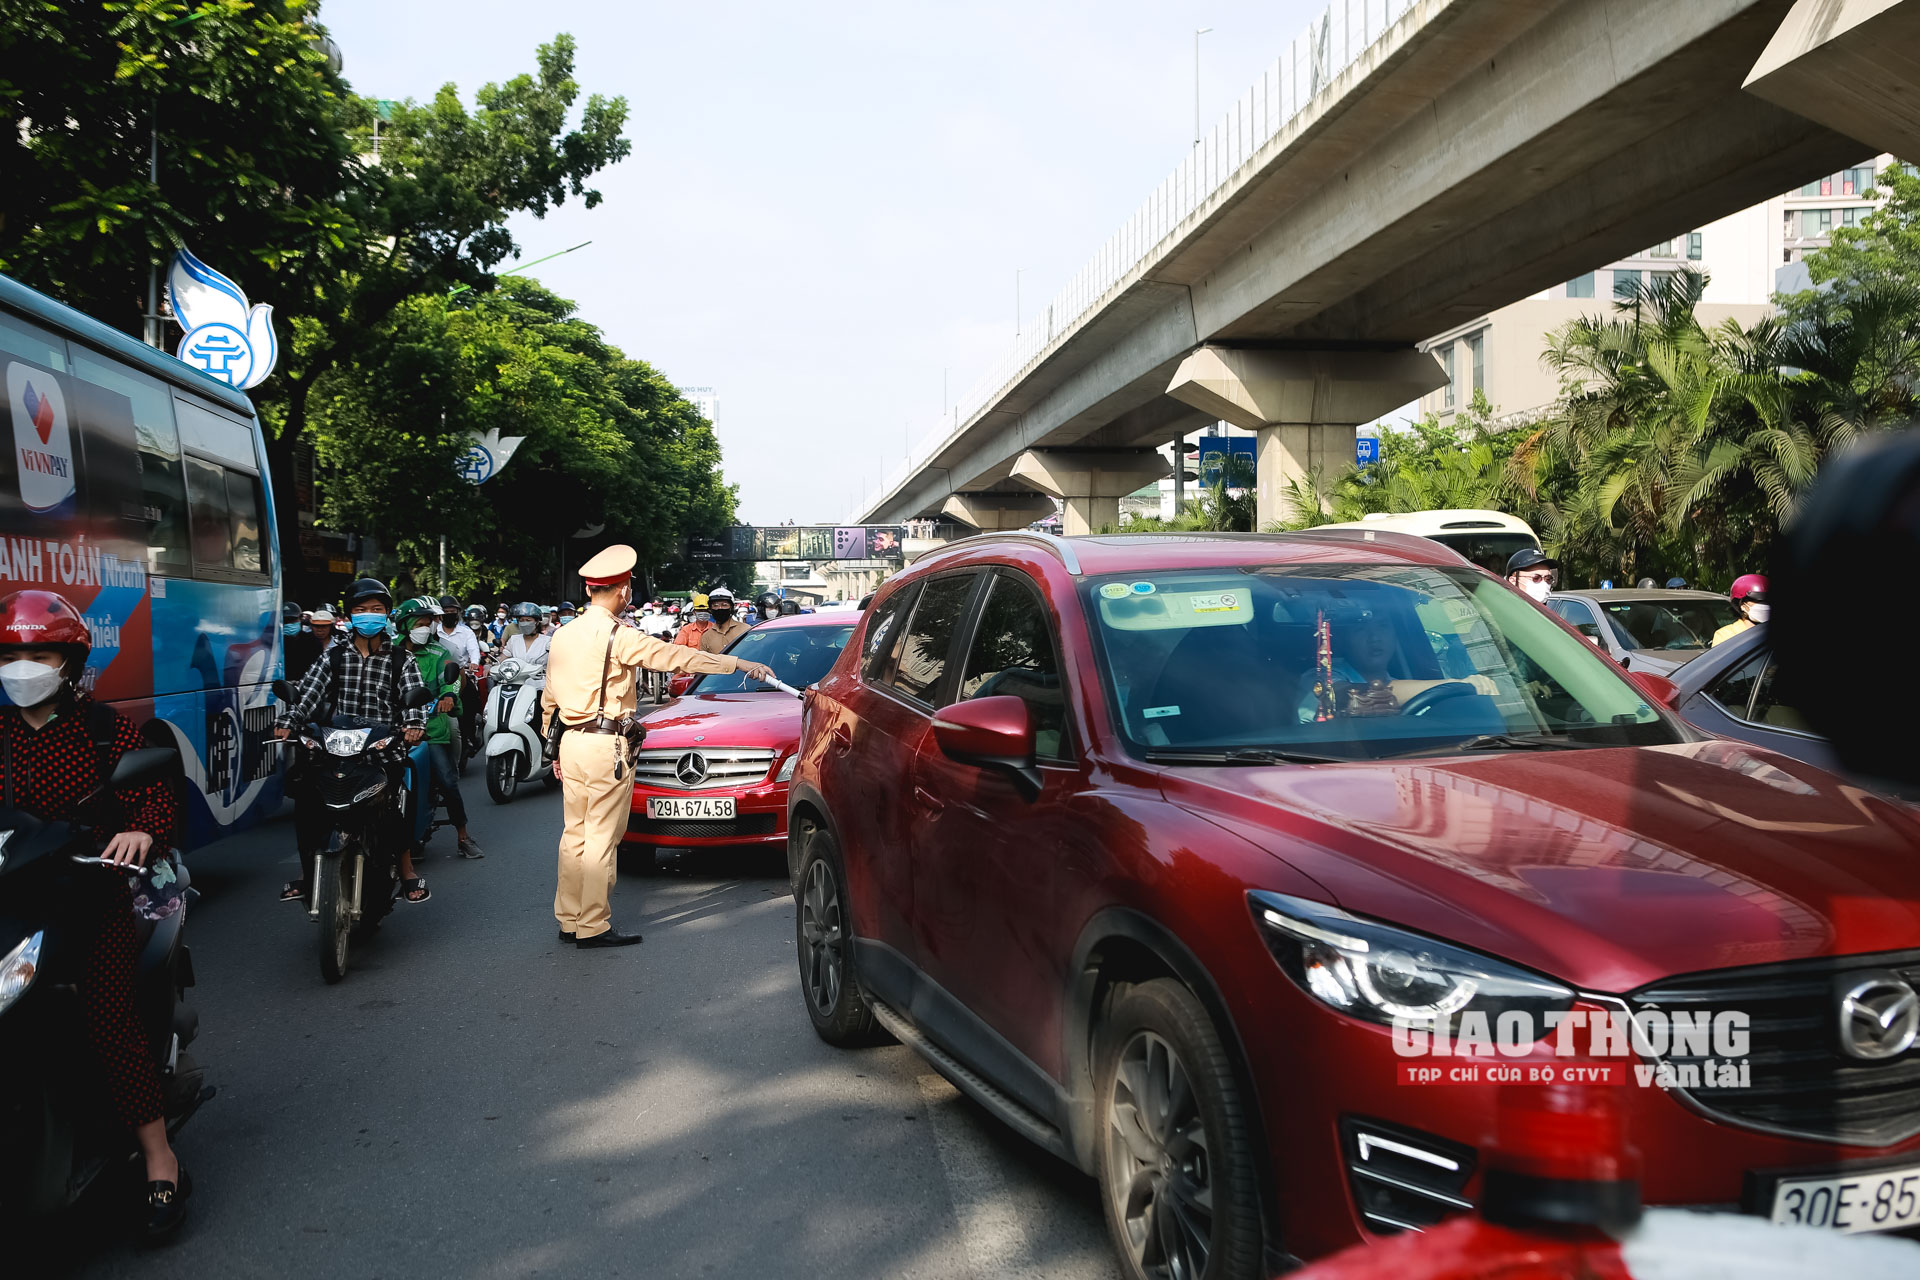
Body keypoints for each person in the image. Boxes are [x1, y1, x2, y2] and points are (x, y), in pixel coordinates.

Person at [0, 590, 191, 1240]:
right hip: (11, 903)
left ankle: (158, 1156)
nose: (24, 669)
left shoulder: (106, 730)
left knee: (108, 1015)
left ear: (70, 661)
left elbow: (154, 798)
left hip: (89, 897)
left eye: (42, 655)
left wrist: (140, 831)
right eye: (12, 656)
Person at [543, 546, 776, 948]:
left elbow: (550, 699)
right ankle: (593, 925)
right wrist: (735, 664)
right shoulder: (617, 634)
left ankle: (569, 919)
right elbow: (672, 656)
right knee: (601, 837)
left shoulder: (563, 634)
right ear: (623, 590)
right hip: (605, 745)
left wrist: (556, 748)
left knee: (574, 835)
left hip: (573, 743)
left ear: (588, 589)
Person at [273, 578, 432, 905]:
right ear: (351, 615)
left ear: (387, 614)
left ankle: (406, 871)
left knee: (390, 806)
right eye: (361, 610)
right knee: (307, 801)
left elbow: (414, 701)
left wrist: (414, 724)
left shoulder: (402, 660)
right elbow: (307, 694)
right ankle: (307, 873)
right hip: (336, 748)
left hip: (381, 749)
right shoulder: (333, 657)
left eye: (376, 610)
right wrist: (288, 722)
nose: (369, 616)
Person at [394, 597, 484, 861]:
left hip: (431, 728)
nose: (427, 628)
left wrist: (448, 697)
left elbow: (452, 681)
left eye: (428, 623)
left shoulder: (440, 653)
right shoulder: (391, 652)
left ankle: (463, 837)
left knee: (447, 780)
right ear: (405, 625)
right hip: (395, 728)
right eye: (420, 623)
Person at [1295, 607, 1497, 722]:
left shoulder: (1404, 684)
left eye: (1383, 626)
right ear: (1343, 639)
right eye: (1360, 629)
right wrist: (1455, 684)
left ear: (1395, 635)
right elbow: (1350, 695)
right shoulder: (1321, 675)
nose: (1374, 637)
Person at [1713, 573, 1770, 645]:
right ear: (1742, 605)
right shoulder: (1725, 635)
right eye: (1758, 601)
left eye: (1767, 601)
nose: (1765, 605)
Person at [698, 588, 751, 653]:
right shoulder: (706, 637)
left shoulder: (745, 630)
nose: (720, 608)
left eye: (724, 605)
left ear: (731, 608)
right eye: (715, 605)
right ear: (710, 609)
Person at [283, 600, 325, 683]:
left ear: (300, 619)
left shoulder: (312, 642)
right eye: (286, 621)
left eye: (292, 620)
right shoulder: (275, 644)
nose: (289, 624)